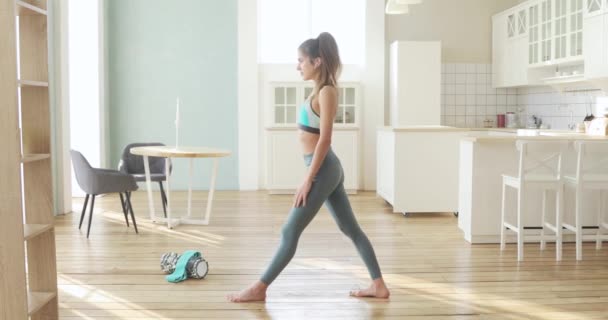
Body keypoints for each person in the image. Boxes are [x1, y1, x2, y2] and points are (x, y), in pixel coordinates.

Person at [227, 32, 390, 302]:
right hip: (327, 168)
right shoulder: (318, 90)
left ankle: (259, 288)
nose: (297, 66)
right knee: (350, 229)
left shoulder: (327, 92)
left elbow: (325, 139)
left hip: (323, 169)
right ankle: (378, 285)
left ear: (317, 61)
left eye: (301, 60)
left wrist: (308, 179)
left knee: (289, 231)